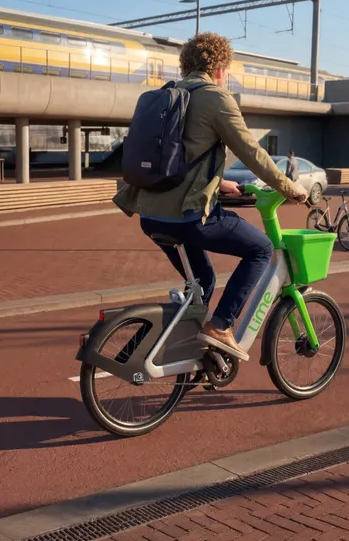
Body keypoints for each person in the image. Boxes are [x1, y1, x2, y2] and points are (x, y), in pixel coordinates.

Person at [113, 32, 309, 363]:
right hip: (188, 219)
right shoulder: (216, 98)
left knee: (201, 283)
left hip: (151, 216)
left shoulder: (168, 95)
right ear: (219, 68)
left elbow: (178, 160)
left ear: (186, 65)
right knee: (261, 249)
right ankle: (220, 327)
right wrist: (291, 188)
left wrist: (220, 186)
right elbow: (253, 153)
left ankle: (148, 353)